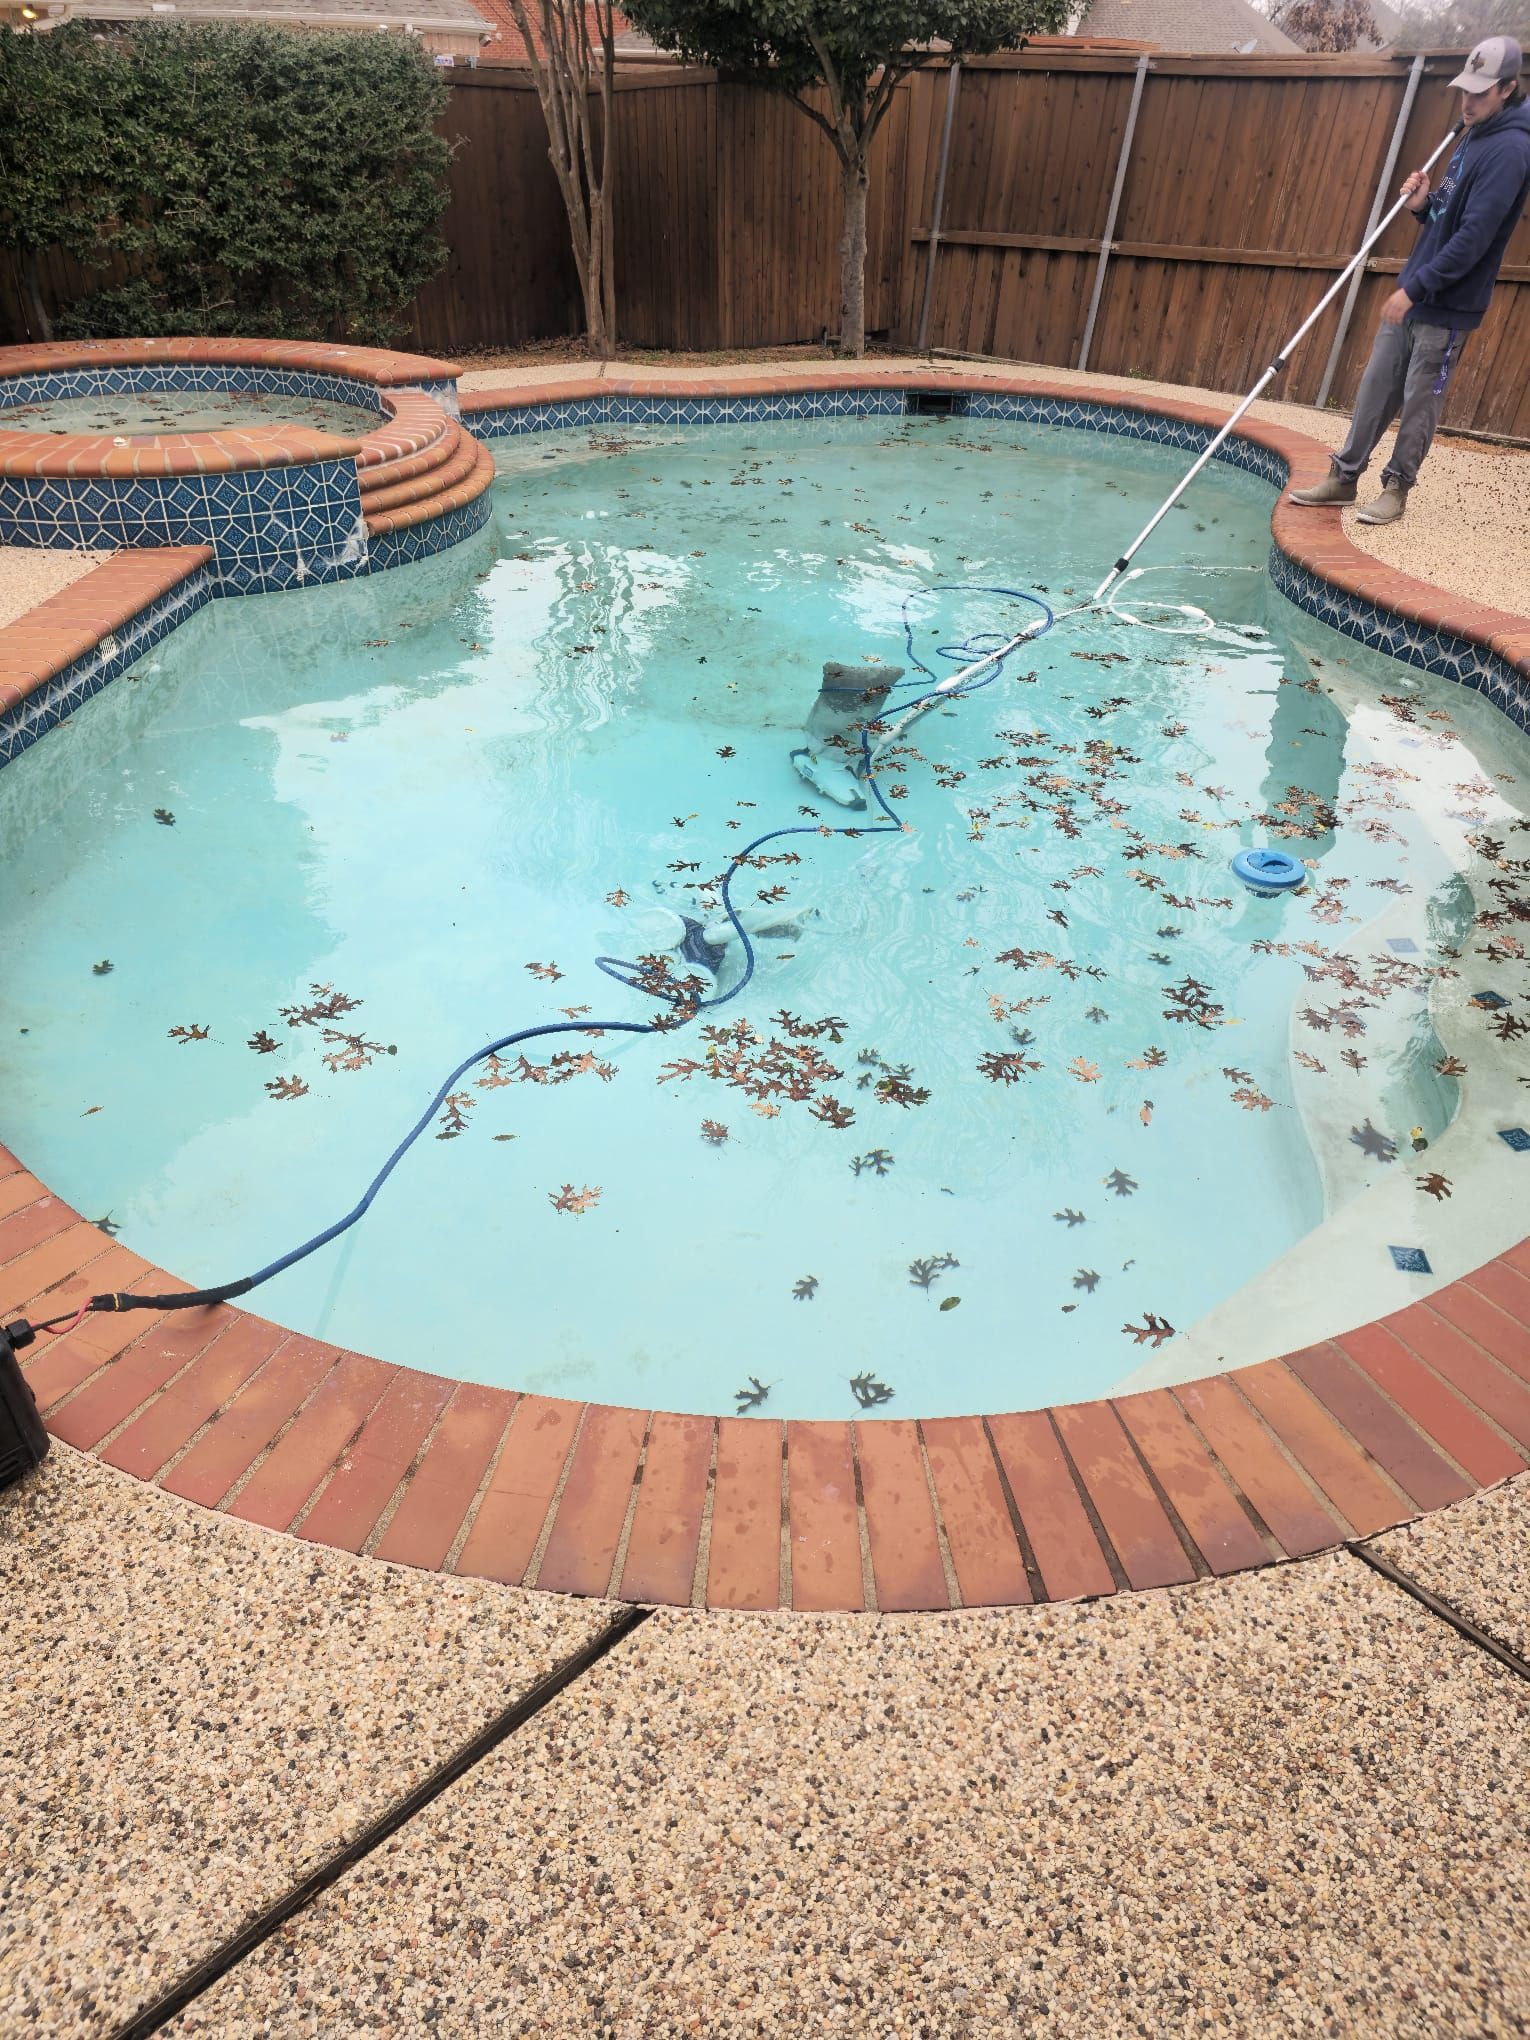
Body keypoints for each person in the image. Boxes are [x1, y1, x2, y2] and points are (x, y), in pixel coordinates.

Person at [1290, 37, 1530, 524]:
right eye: (1465, 90)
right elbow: (1447, 216)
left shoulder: (1509, 150)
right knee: (1376, 386)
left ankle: (1397, 490)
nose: (1467, 101)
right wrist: (1424, 205)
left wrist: (1416, 287)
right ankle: (1345, 476)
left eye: (1480, 93)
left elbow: (1473, 241)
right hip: (1419, 289)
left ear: (1507, 89)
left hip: (1447, 304)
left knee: (1420, 402)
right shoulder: (1472, 135)